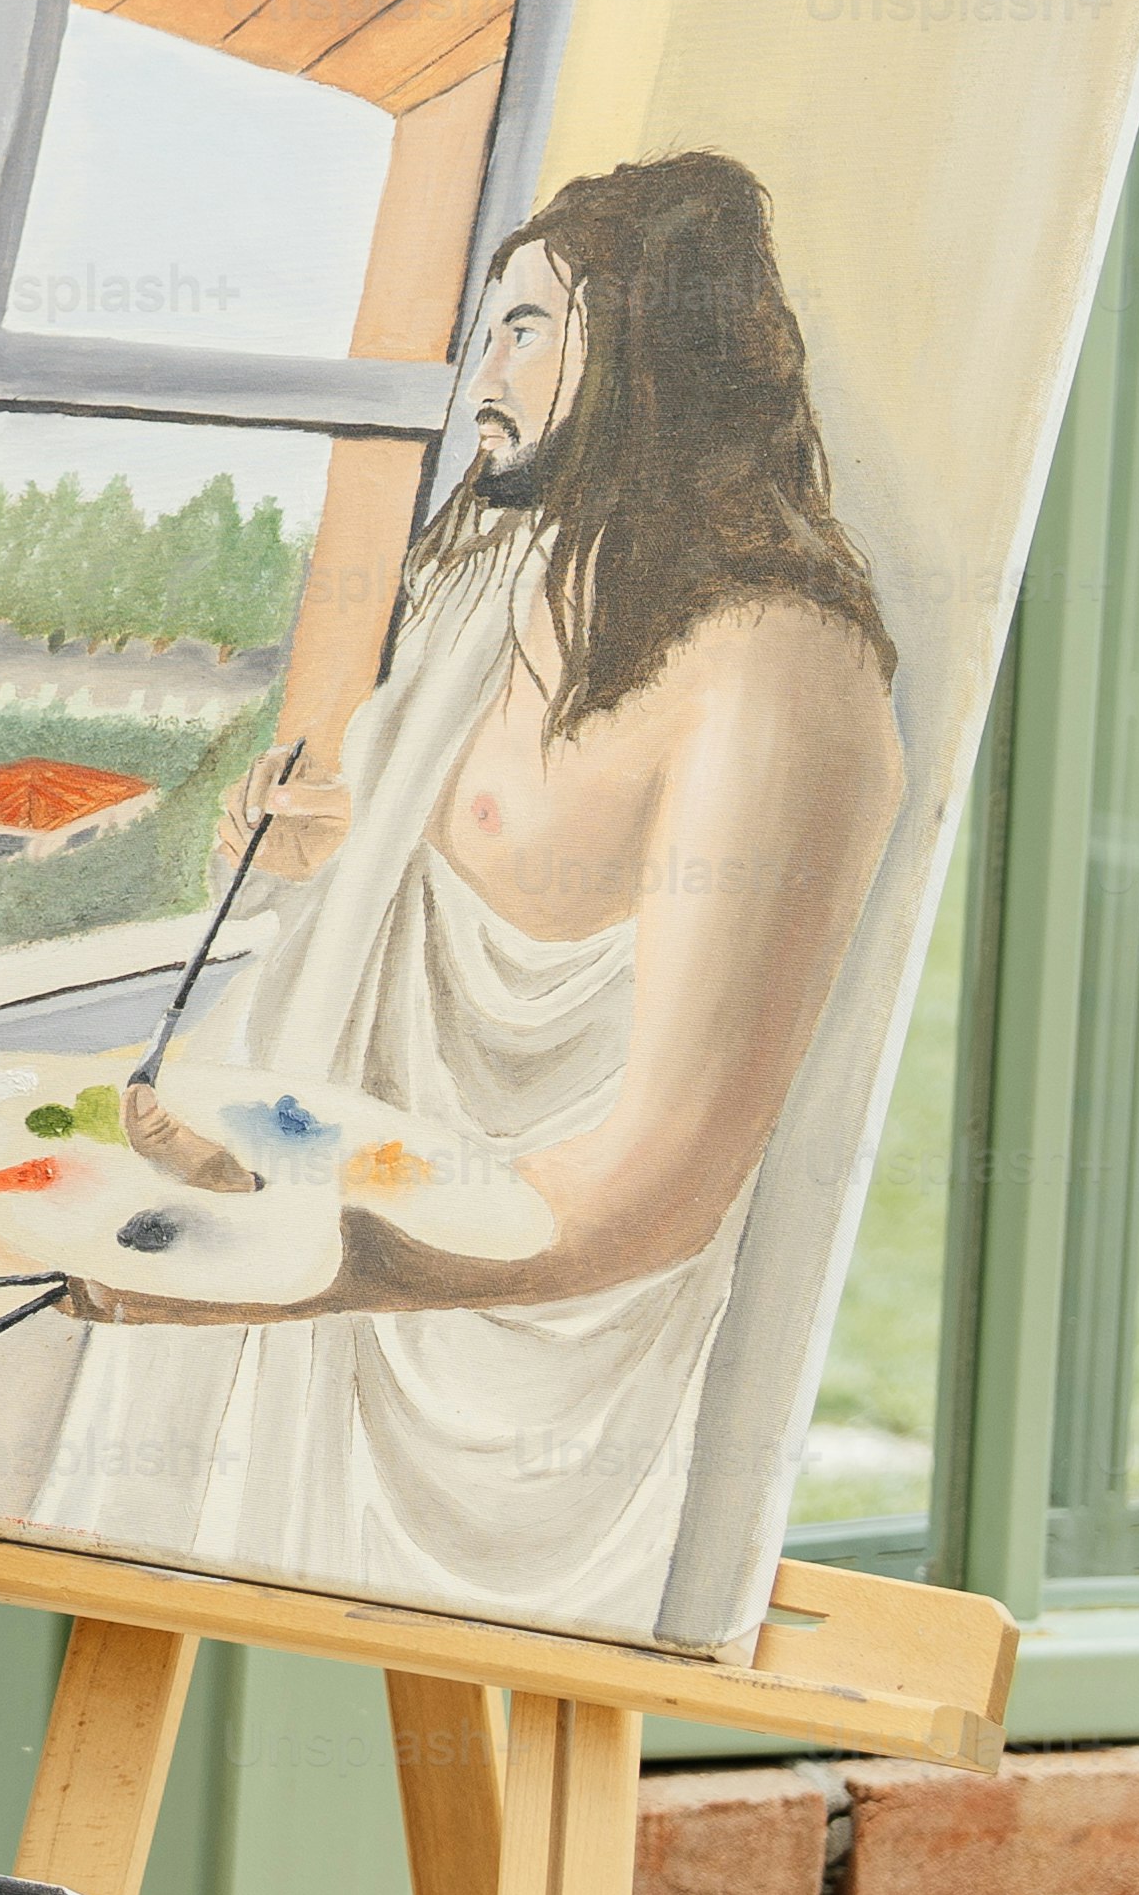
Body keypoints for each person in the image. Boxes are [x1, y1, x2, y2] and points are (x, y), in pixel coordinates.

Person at [47, 150, 904, 1630]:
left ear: (654, 347)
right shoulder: (498, 577)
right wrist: (303, 854)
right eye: (481, 327)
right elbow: (408, 901)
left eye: (525, 327)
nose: (479, 370)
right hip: (333, 1277)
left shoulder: (771, 671)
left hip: (504, 1405)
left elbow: (663, 1183)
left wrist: (282, 1261)